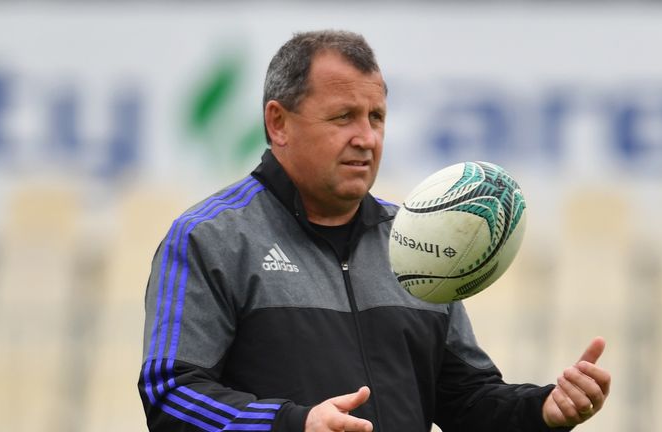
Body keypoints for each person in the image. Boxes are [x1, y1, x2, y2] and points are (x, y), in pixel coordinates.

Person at [138, 30, 611, 432]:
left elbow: (465, 396)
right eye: (343, 117)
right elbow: (171, 393)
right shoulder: (209, 236)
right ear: (278, 123)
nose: (366, 137)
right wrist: (292, 424)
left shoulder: (416, 240)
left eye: (376, 117)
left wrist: (541, 410)